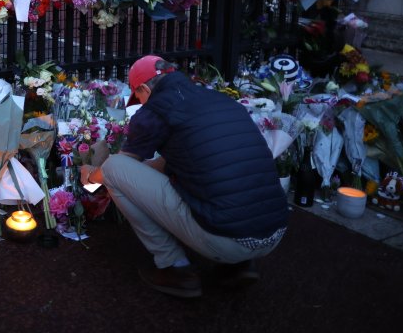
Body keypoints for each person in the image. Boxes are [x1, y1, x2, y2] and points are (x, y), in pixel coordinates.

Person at [80, 55, 288, 298]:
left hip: (227, 241)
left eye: (140, 98)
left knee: (114, 166)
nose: (141, 104)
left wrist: (91, 175)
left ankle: (174, 268)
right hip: (275, 231)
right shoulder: (219, 100)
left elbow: (120, 168)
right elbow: (174, 162)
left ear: (144, 89)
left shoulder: (157, 108)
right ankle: (238, 265)